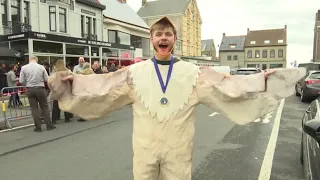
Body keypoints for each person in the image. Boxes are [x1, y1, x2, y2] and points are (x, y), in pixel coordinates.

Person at [48, 17, 305, 180]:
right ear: (151, 40)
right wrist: (76, 82)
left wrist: (262, 80)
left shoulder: (192, 73)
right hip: (145, 153)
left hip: (178, 154)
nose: (163, 37)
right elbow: (104, 87)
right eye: (158, 33)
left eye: (168, 34)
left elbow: (229, 87)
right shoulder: (134, 74)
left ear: (174, 40)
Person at [19, 56, 56, 132]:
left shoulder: (24, 68)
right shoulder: (41, 67)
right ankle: (49, 125)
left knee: (34, 108)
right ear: (36, 60)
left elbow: (21, 80)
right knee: (44, 107)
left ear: (30, 60)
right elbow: (46, 79)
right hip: (40, 88)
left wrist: (27, 84)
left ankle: (38, 127)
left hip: (30, 89)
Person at [51, 59, 73, 123]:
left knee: (56, 105)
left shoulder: (54, 72)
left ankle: (54, 119)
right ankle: (67, 118)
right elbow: (72, 78)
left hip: (57, 89)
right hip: (65, 89)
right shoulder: (68, 71)